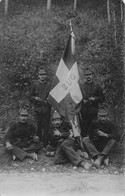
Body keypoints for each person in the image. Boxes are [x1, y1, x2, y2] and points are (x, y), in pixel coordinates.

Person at [29, 67, 51, 148]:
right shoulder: (35, 85)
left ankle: (45, 144)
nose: (42, 76)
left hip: (46, 109)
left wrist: (49, 99)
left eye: (44, 74)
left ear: (46, 76)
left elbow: (53, 97)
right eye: (41, 75)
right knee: (38, 127)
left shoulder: (49, 85)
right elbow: (30, 97)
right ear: (38, 76)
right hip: (38, 109)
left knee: (46, 127)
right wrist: (35, 98)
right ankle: (39, 143)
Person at [80, 67, 105, 137]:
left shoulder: (97, 86)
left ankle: (93, 143)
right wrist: (82, 100)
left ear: (92, 75)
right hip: (84, 111)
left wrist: (95, 99)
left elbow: (102, 98)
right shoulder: (81, 86)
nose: (88, 76)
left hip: (93, 111)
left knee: (93, 128)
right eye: (86, 75)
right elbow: (77, 97)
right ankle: (84, 145)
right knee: (84, 128)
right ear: (84, 76)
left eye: (89, 74)